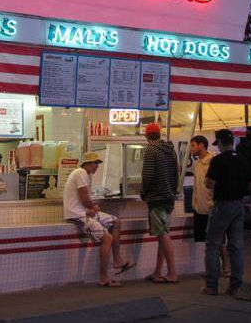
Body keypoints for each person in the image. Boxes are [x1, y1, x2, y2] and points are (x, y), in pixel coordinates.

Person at [63, 152, 134, 287]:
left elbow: (81, 200)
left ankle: (117, 260)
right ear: (88, 164)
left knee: (116, 222)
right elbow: (85, 200)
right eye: (95, 163)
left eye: (98, 164)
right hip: (76, 215)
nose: (97, 166)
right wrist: (94, 207)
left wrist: (91, 209)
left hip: (83, 212)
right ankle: (103, 277)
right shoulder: (80, 173)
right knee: (107, 238)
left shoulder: (84, 174)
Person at [202, 129, 251, 297]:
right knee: (236, 246)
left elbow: (209, 183)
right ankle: (236, 285)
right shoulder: (243, 160)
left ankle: (212, 285)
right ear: (232, 143)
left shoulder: (218, 160)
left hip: (222, 205)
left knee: (212, 244)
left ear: (221, 144)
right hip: (239, 205)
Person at [140, 123, 179, 284]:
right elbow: (176, 173)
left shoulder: (151, 150)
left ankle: (172, 273)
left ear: (146, 136)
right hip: (169, 197)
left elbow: (148, 175)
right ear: (160, 134)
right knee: (162, 235)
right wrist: (173, 191)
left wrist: (143, 192)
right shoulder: (170, 150)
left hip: (157, 198)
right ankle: (157, 271)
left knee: (163, 234)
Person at [190, 136, 231, 277]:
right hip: (200, 207)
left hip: (212, 206)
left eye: (193, 145)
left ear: (201, 145)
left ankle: (225, 267)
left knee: (218, 240)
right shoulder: (196, 164)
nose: (191, 149)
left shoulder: (214, 161)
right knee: (208, 241)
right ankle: (213, 269)